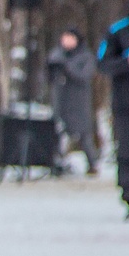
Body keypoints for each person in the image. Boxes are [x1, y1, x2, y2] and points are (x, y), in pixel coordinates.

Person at [97, 0, 129, 219]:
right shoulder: (118, 32)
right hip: (126, 104)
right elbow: (103, 63)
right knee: (128, 151)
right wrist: (127, 62)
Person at [47, 27, 99, 176]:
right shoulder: (56, 55)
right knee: (56, 133)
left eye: (70, 38)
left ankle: (92, 163)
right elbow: (50, 75)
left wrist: (67, 67)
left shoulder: (85, 56)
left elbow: (84, 75)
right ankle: (56, 162)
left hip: (79, 102)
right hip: (60, 100)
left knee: (84, 135)